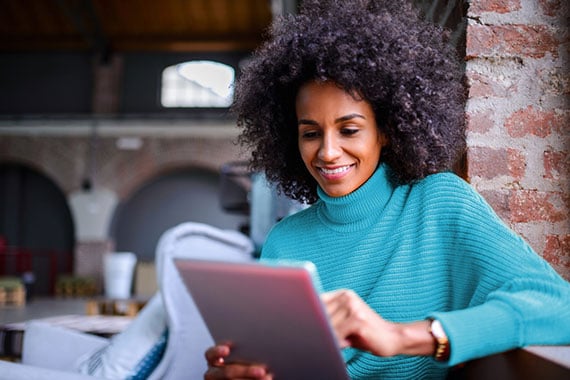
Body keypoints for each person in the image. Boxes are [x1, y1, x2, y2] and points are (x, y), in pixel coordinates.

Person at [204, 0, 570, 379]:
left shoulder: (438, 203)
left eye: (349, 129)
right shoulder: (285, 242)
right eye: (310, 133)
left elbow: (558, 307)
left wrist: (401, 336)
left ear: (386, 130)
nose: (328, 152)